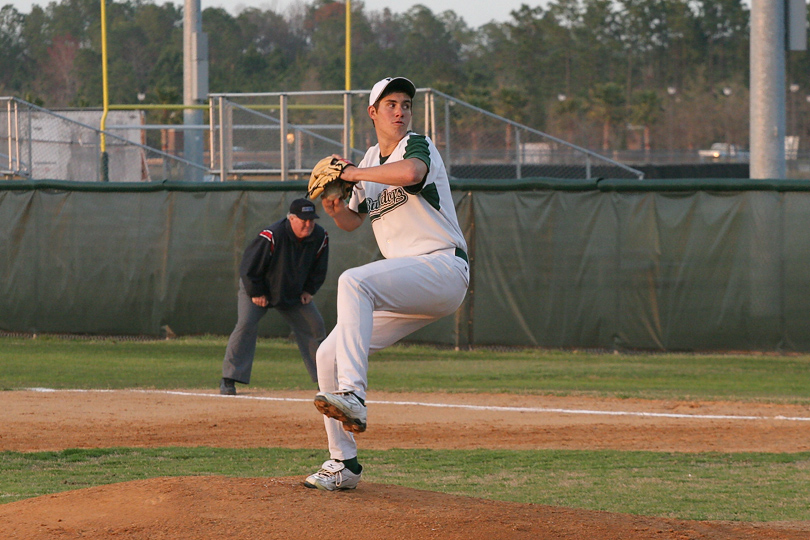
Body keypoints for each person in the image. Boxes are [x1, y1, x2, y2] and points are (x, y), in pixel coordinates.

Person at [304, 77, 470, 491]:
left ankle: (355, 398)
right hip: (411, 283)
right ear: (373, 112)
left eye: (406, 104)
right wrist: (336, 205)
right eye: (391, 103)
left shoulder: (417, 146)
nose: (400, 110)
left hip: (443, 268)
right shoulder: (370, 161)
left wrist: (355, 172)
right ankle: (344, 464)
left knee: (354, 282)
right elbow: (352, 221)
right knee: (328, 354)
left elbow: (413, 172)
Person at [220, 198, 329, 395]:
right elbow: (248, 268)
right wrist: (256, 293)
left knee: (315, 326)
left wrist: (309, 290)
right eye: (303, 220)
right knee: (245, 325)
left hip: (293, 291)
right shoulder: (271, 235)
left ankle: (327, 380)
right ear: (291, 219)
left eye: (311, 220)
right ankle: (229, 378)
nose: (308, 224)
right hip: (258, 288)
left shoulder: (320, 236)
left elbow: (319, 269)